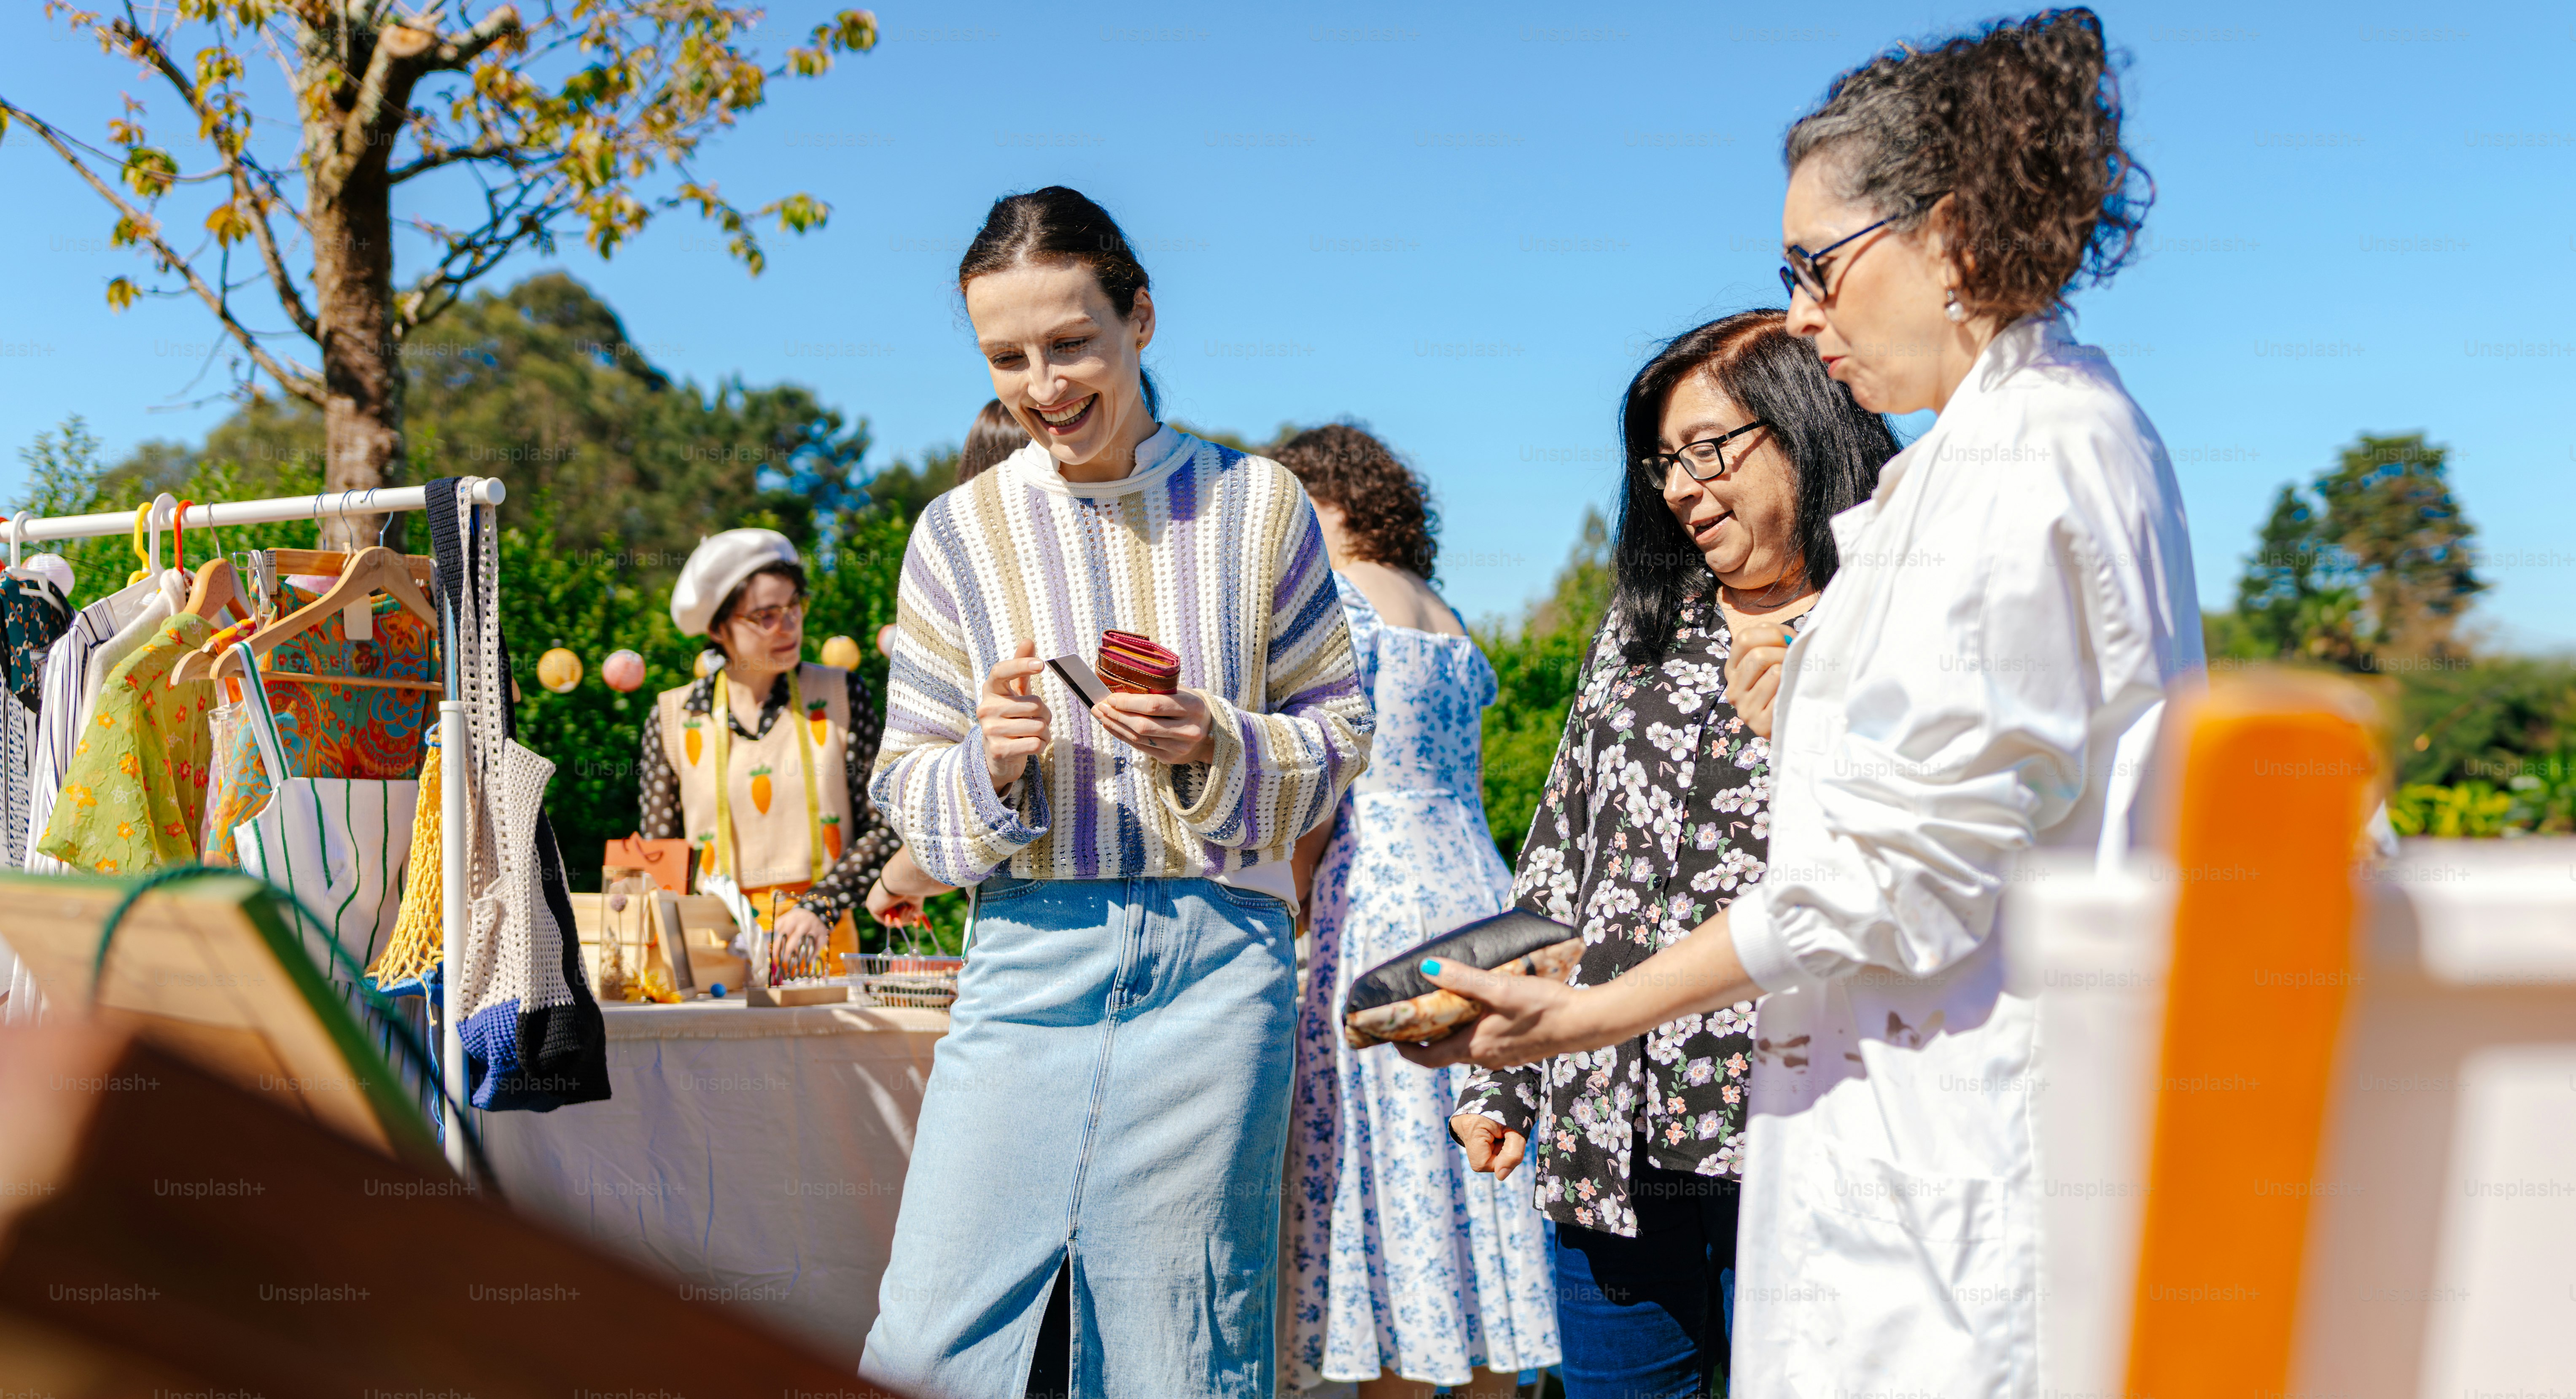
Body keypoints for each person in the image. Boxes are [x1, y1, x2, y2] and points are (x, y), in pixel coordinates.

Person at [1405, 11, 2198, 1394]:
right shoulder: (1993, 455)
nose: (1800, 311)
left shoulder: (2022, 466)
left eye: (1815, 267)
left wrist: (1591, 1012)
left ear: (1947, 232)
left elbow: (1886, 874)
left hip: (1950, 1163)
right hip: (1852, 1138)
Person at [859, 186, 1374, 1399]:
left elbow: (1341, 732)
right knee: (933, 1336)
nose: (1041, 385)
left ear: (1139, 317)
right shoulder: (955, 533)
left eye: (1070, 342)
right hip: (1026, 959)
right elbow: (903, 780)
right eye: (1008, 358)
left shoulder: (1259, 506)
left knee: (1182, 1348)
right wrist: (984, 760)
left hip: (1219, 957)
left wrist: (1215, 738)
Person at [1445, 313, 1894, 1398]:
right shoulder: (1643, 627)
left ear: (1806, 423)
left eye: (1707, 451)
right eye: (1661, 465)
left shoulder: (1888, 623)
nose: (1681, 490)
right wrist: (1499, 1081)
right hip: (1610, 1135)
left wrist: (1811, 738)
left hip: (1799, 1135)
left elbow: (1908, 869)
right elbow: (1559, 856)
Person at [1274, 423, 1560, 1399]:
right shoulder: (1437, 609)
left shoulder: (1342, 605)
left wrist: (1297, 892)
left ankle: (1395, 1367)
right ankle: (1485, 1372)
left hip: (1378, 893)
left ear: (1334, 502)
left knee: (1385, 1146)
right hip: (1475, 889)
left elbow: (1324, 776)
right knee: (1467, 1132)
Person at [639, 529, 933, 967]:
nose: (790, 625)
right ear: (718, 628)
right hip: (708, 951)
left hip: (823, 940)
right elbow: (660, 860)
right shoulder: (671, 717)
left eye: (794, 606)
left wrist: (821, 905)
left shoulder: (843, 695)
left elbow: (887, 822)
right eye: (766, 616)